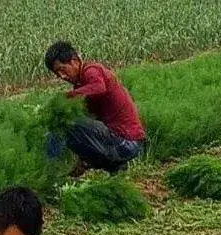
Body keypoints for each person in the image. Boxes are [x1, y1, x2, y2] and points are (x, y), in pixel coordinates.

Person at [44, 41, 146, 177]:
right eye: (57, 74)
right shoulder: (82, 87)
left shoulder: (91, 70)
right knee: (69, 129)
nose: (62, 77)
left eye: (62, 70)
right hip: (119, 143)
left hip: (126, 142)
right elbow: (89, 124)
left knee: (63, 123)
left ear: (74, 60)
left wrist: (68, 96)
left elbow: (99, 87)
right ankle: (113, 168)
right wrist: (83, 159)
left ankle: (48, 170)